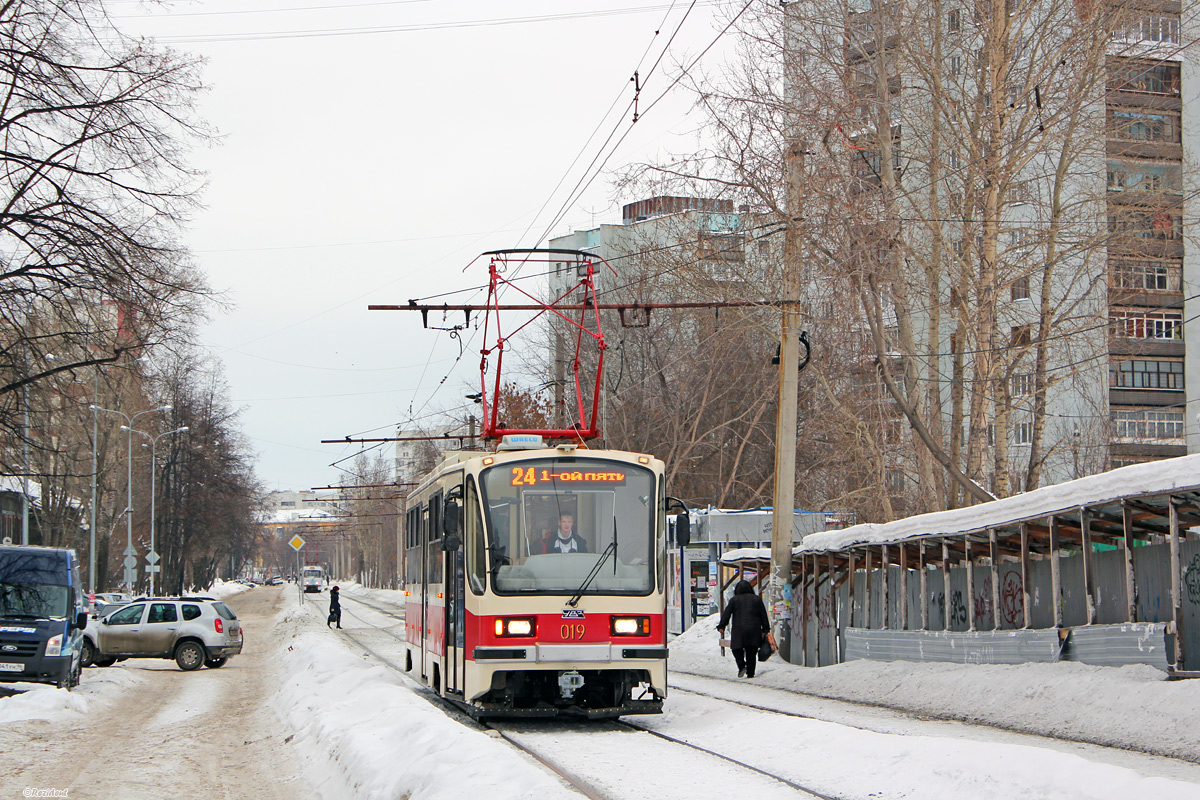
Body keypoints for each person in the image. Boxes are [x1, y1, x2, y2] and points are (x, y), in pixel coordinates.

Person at [716, 579, 771, 678]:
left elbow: (726, 614)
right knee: (751, 651)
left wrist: (722, 626)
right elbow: (763, 615)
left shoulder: (734, 600)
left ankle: (742, 666)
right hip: (754, 630)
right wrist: (766, 628)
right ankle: (750, 673)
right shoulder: (757, 599)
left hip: (739, 630)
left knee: (736, 649)